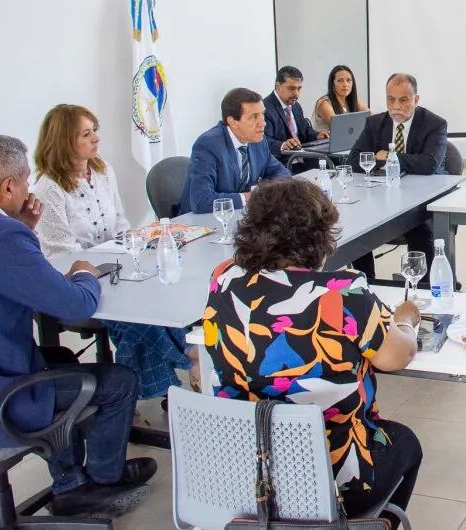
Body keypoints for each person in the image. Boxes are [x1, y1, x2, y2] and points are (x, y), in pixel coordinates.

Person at [0, 135, 153, 517]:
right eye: (26, 182)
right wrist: (84, 273)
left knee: (60, 355)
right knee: (119, 382)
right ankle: (101, 481)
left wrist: (21, 229)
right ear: (7, 187)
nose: (29, 189)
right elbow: (73, 301)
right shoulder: (0, 235)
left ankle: (71, 480)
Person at [204, 178, 422, 528]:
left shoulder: (223, 280)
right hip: (331, 475)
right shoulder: (343, 293)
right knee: (405, 442)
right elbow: (396, 356)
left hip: (245, 467)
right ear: (319, 237)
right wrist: (407, 320)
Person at [32, 104, 196, 399]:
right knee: (139, 316)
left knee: (163, 289)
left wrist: (142, 241)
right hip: (76, 281)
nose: (96, 138)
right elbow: (62, 256)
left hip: (117, 266)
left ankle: (162, 386)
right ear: (64, 141)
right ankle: (190, 358)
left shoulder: (103, 171)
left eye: (95, 130)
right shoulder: (48, 188)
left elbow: (120, 223)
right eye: (86, 133)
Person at [346, 73, 447, 279]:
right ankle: (367, 284)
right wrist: (399, 160)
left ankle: (425, 285)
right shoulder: (375, 123)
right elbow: (354, 161)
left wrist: (391, 156)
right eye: (390, 99)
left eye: (403, 100)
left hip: (422, 199)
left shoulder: (434, 124)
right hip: (382, 198)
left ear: (416, 100)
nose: (396, 106)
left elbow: (429, 163)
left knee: (420, 231)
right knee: (358, 229)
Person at [177, 88, 290, 215]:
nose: (263, 123)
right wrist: (252, 197)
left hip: (239, 214)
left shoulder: (258, 140)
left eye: (262, 114)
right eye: (254, 117)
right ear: (233, 122)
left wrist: (269, 191)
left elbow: (280, 171)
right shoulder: (208, 145)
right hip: (200, 222)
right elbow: (201, 201)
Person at [263, 66, 328, 173]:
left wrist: (317, 135)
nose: (297, 93)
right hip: (282, 165)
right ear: (278, 86)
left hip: (304, 160)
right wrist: (283, 145)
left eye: (299, 88)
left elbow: (305, 131)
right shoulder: (265, 108)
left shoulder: (295, 105)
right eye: (291, 88)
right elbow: (263, 141)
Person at [313, 65, 370, 133]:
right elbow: (341, 128)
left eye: (348, 80)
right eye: (340, 81)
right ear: (333, 84)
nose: (345, 84)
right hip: (326, 142)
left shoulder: (353, 100)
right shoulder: (324, 103)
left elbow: (372, 118)